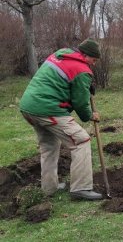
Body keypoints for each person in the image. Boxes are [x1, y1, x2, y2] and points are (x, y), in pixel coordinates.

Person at [19, 39, 103, 200]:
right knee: (81, 140)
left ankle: (49, 188)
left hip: (29, 107)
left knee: (49, 146)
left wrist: (84, 85)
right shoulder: (81, 69)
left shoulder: (62, 55)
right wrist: (90, 115)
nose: (94, 63)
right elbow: (80, 102)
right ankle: (81, 188)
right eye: (94, 59)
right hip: (48, 109)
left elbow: (65, 83)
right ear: (85, 55)